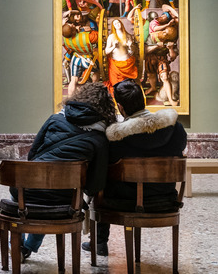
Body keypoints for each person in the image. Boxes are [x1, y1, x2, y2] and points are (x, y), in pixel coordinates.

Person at [82, 79, 186, 256]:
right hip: (165, 198)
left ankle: (99, 242)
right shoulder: (175, 129)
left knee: (103, 176)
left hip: (125, 202)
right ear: (143, 99)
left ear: (120, 107)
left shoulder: (116, 138)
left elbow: (104, 170)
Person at [16, 82, 115, 260]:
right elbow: (95, 184)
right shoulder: (99, 138)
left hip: (28, 192)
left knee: (28, 194)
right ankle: (28, 247)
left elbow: (32, 155)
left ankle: (17, 246)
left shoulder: (55, 119)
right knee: (52, 195)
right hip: (66, 200)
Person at [104, 19, 138, 87]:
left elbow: (132, 52)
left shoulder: (128, 36)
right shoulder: (111, 37)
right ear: (113, 26)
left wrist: (130, 46)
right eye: (115, 24)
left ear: (121, 24)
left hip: (127, 64)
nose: (117, 24)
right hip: (116, 65)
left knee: (128, 85)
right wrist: (113, 46)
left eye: (118, 23)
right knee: (116, 84)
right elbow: (106, 51)